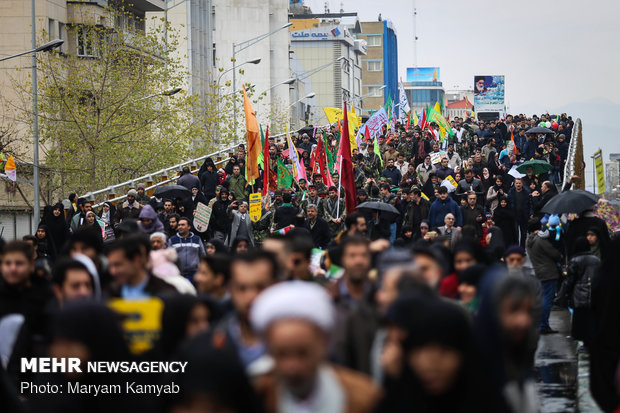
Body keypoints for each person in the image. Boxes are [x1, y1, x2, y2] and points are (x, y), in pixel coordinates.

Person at [252, 281, 382, 413]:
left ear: (324, 343)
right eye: (282, 354)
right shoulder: (256, 396)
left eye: (302, 353)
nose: (292, 367)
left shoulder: (365, 398)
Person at [216, 250, 277, 376]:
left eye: (260, 287)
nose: (250, 297)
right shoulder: (210, 346)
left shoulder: (301, 346)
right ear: (231, 290)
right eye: (242, 288)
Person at [555, 237, 601, 346]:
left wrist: (563, 295)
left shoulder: (575, 260)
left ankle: (581, 341)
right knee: (590, 319)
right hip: (593, 293)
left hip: (579, 294)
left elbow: (570, 280)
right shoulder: (596, 260)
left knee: (579, 319)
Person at [105, 236, 179, 299]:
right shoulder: (111, 293)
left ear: (137, 261)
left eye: (118, 265)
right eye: (110, 266)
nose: (113, 271)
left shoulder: (166, 293)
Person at [525, 218, 562, 335]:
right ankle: (543, 325)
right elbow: (554, 254)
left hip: (538, 271)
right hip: (548, 272)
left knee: (542, 298)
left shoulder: (529, 240)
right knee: (547, 300)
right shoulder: (540, 240)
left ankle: (541, 323)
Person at [507, 178, 532, 247]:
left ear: (522, 184)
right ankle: (517, 247)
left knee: (524, 234)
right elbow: (508, 204)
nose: (518, 185)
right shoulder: (511, 192)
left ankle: (522, 248)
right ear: (514, 184)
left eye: (519, 183)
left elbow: (529, 204)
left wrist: (530, 213)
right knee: (515, 233)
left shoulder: (526, 192)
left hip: (524, 216)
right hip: (514, 215)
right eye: (517, 183)